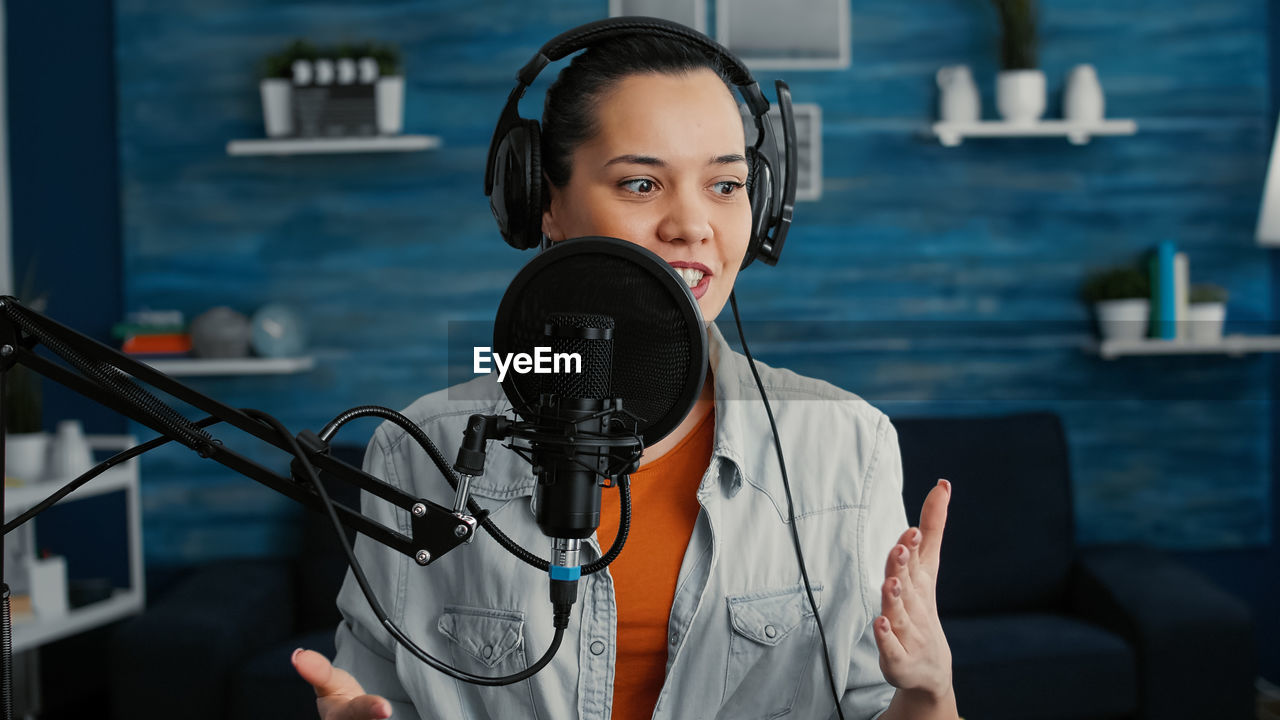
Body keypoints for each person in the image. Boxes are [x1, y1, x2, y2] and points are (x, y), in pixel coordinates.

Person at [293, 23, 958, 720]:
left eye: (725, 184)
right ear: (541, 203)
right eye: (642, 183)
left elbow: (886, 706)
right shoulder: (419, 449)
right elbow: (377, 692)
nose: (693, 224)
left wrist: (928, 695)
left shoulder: (847, 446)